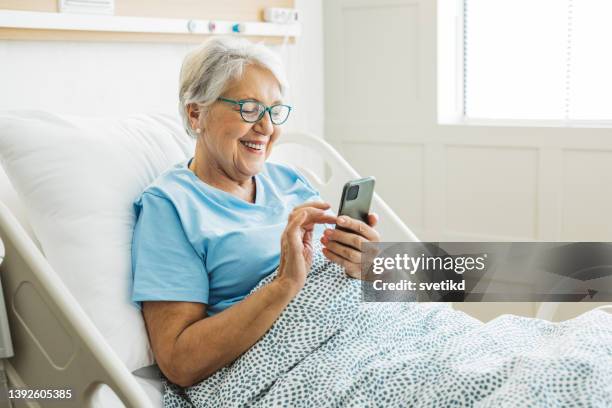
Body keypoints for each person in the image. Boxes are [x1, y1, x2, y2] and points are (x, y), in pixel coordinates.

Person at [130, 36, 381, 388]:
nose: (266, 127)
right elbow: (179, 361)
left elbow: (344, 280)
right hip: (297, 372)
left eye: (275, 110)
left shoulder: (287, 180)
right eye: (248, 108)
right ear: (196, 113)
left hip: (375, 337)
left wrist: (366, 264)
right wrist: (284, 285)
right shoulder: (171, 207)